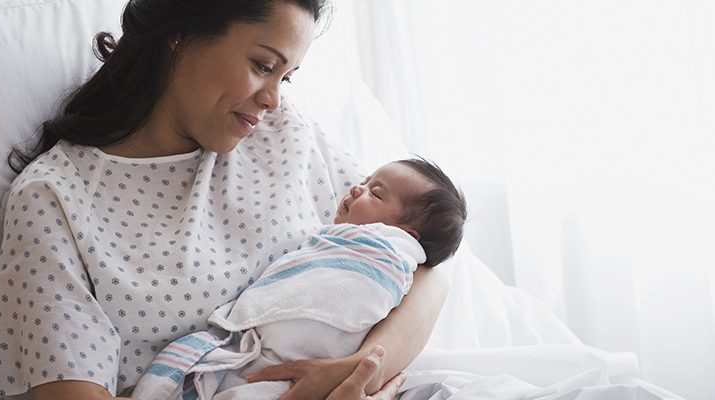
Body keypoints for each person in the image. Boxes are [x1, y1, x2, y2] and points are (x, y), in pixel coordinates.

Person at [0, 1, 449, 399]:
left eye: (287, 77)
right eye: (263, 66)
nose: (273, 100)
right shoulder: (55, 201)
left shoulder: (285, 135)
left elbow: (424, 268)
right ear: (182, 32)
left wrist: (355, 371)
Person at [131, 158, 467, 400]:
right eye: (365, 181)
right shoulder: (338, 240)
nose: (355, 187)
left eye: (375, 193)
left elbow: (423, 281)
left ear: (404, 235)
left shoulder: (385, 254)